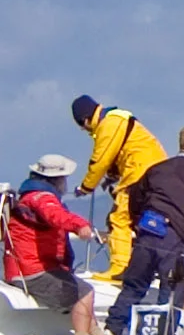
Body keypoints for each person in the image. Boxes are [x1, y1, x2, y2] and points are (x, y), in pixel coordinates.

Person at [5, 155, 120, 335]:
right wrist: (80, 225)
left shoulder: (32, 196)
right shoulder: (42, 199)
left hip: (30, 267)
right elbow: (56, 216)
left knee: (78, 287)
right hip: (31, 271)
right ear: (57, 180)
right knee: (84, 292)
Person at [110, 124, 184, 335]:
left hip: (148, 230)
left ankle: (113, 330)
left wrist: (137, 221)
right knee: (172, 291)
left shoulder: (157, 169)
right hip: (174, 237)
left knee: (134, 284)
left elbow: (136, 195)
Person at [71, 96, 168, 281]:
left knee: (119, 218)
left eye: (83, 126)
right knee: (143, 220)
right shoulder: (117, 118)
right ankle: (147, 267)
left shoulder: (108, 125)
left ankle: (120, 268)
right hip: (154, 172)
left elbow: (100, 159)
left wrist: (85, 187)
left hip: (139, 173)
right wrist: (112, 176)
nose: (85, 130)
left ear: (85, 120)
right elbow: (121, 150)